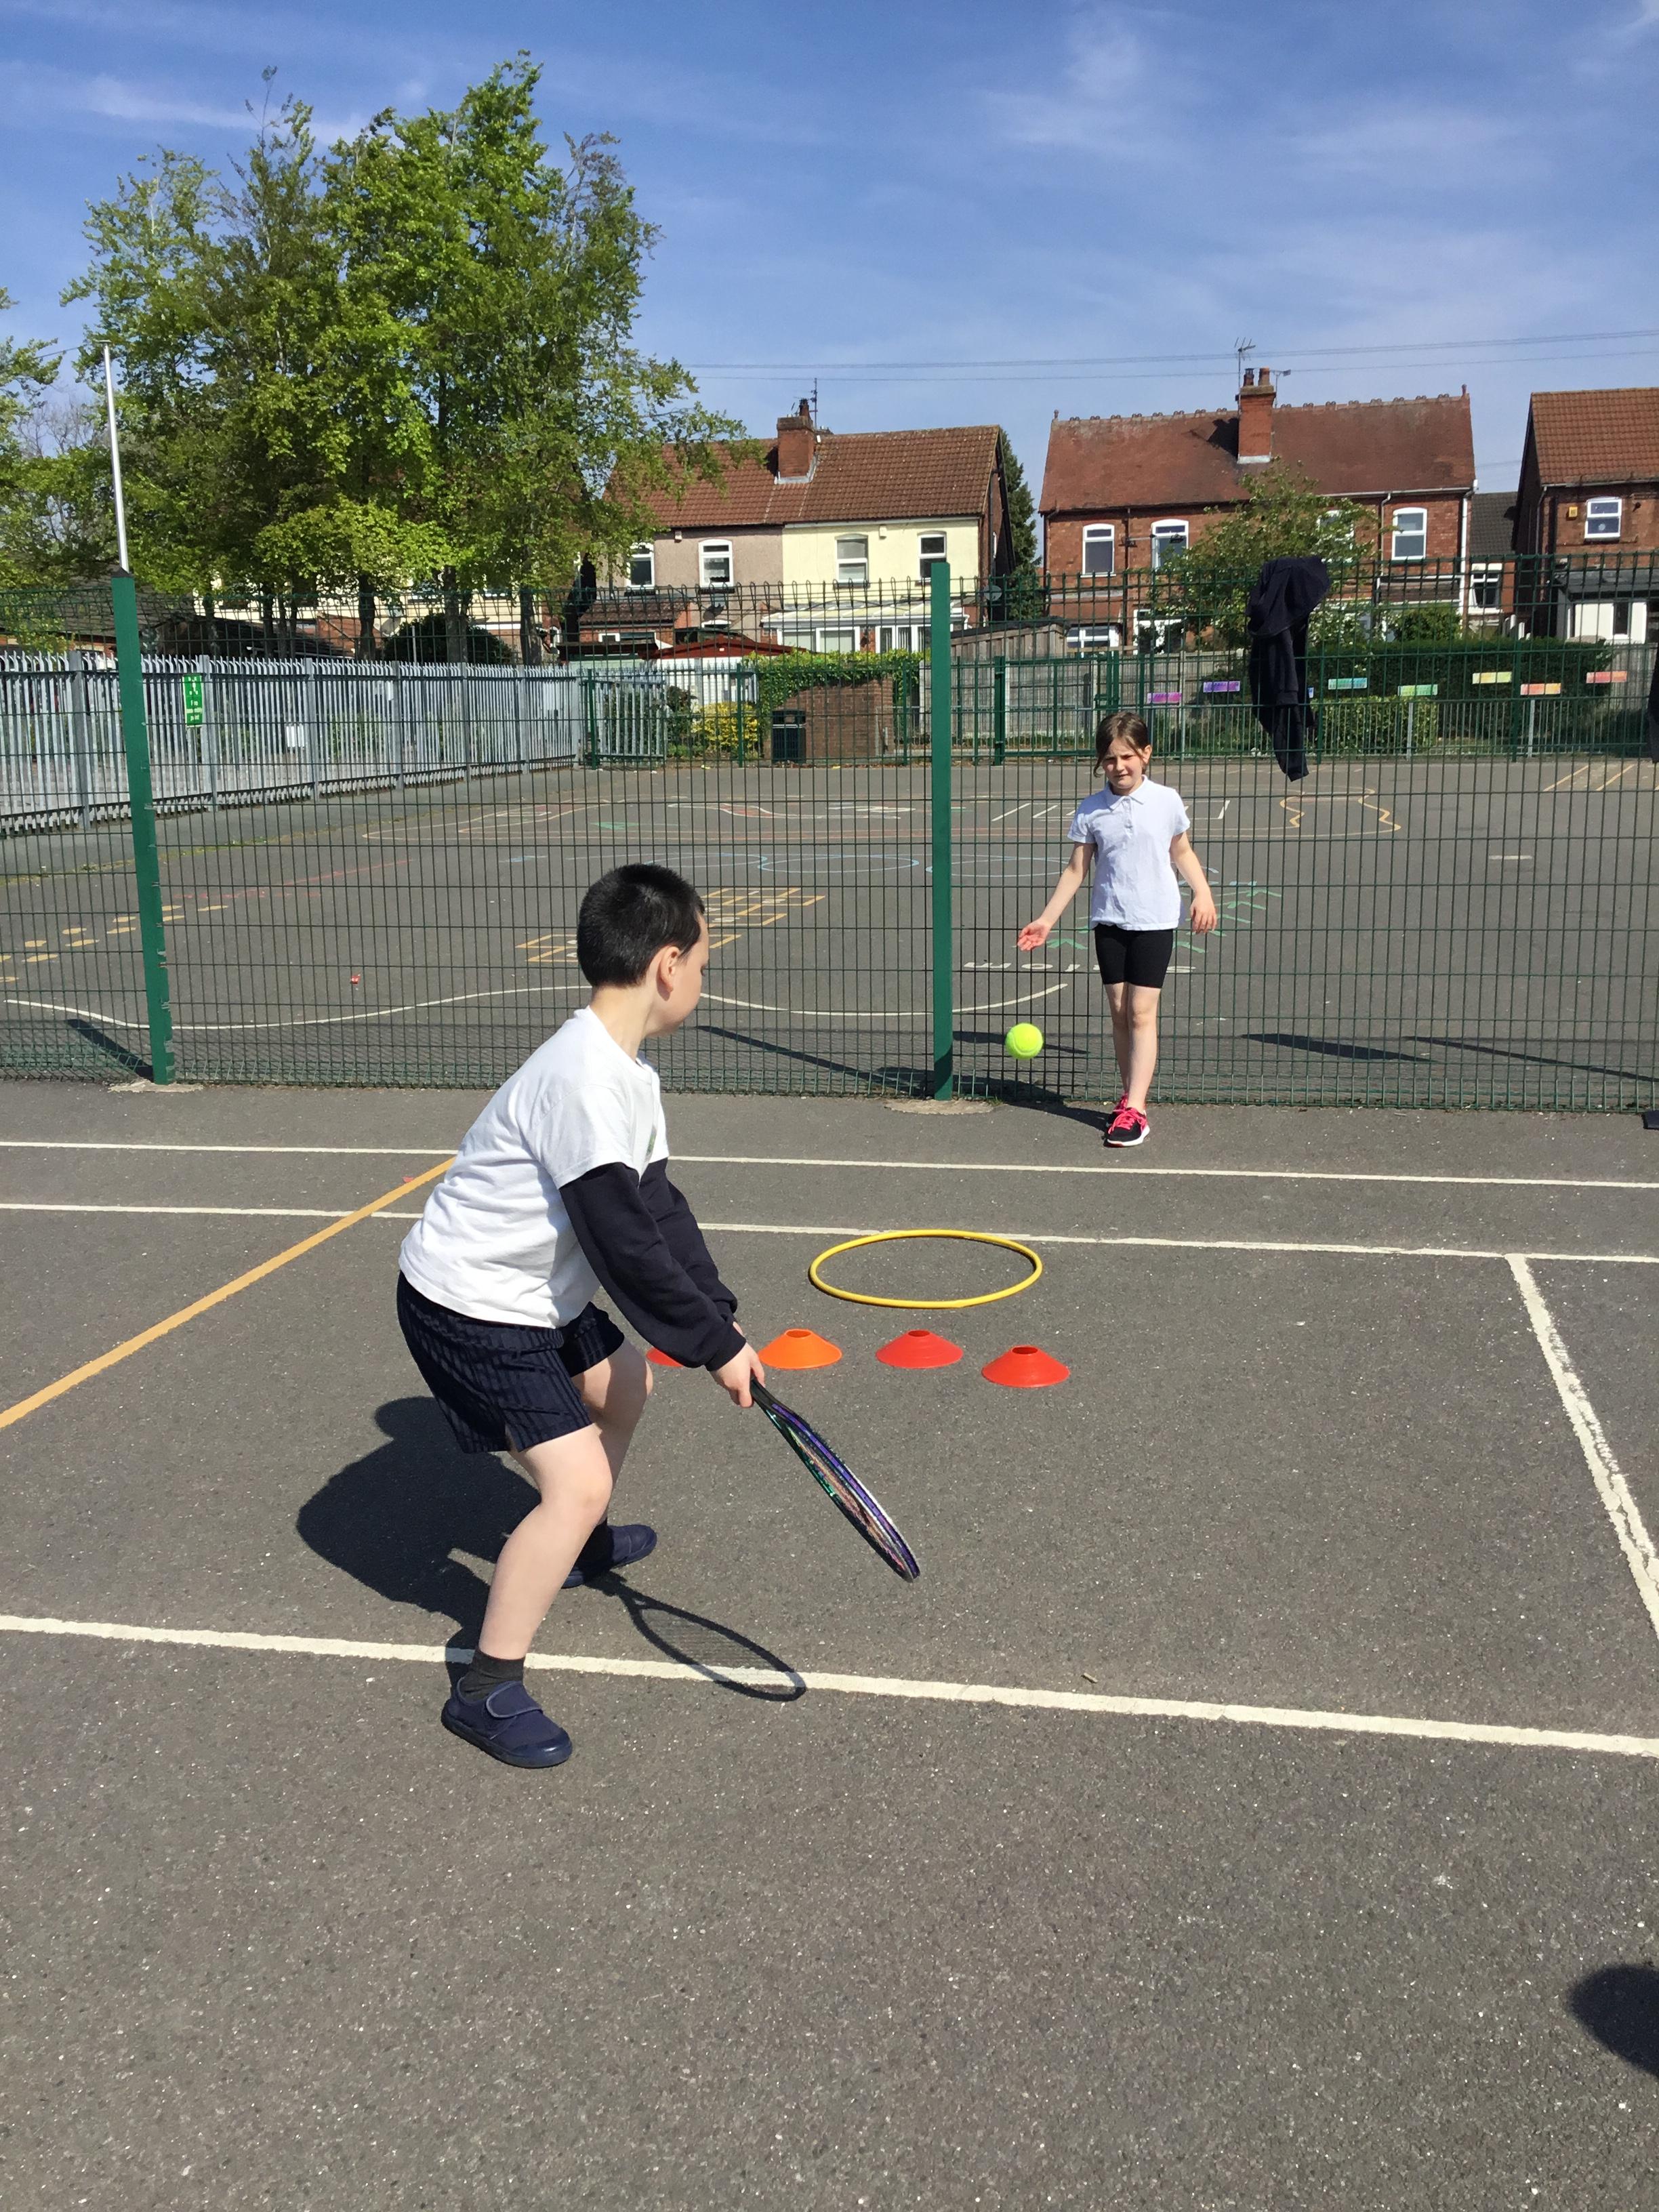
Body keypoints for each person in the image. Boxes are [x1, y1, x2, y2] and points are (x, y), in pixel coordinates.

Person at [395, 863, 765, 1769]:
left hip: (526, 1296)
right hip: (469, 1303)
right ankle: (486, 1686)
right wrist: (712, 1347)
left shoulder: (627, 1073)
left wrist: (722, 1320)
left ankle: (580, 1546)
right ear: (668, 966)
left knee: (625, 1384)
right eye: (704, 961)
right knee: (577, 1481)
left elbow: (660, 1209)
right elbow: (624, 1247)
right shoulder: (584, 1079)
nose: (703, 977)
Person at [1017, 710, 1216, 1147]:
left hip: (1155, 919)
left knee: (1142, 1012)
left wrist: (1202, 893)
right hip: (1109, 920)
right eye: (1109, 759)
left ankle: (1137, 1110)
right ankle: (1130, 1096)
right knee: (1121, 1011)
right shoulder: (1092, 809)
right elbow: (1076, 870)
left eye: (1127, 756)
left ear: (1146, 754)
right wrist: (1047, 920)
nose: (1119, 766)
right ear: (1100, 763)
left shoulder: (1165, 801)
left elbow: (1182, 851)